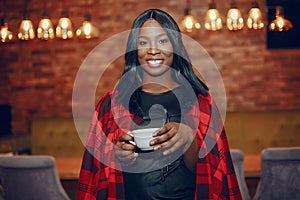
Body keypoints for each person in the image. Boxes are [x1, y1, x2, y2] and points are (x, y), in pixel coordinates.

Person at [76, 9, 242, 200]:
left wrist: (189, 138)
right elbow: (95, 174)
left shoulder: (200, 102)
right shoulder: (111, 104)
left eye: (163, 41)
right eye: (143, 42)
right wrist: (116, 156)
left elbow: (213, 176)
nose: (153, 50)